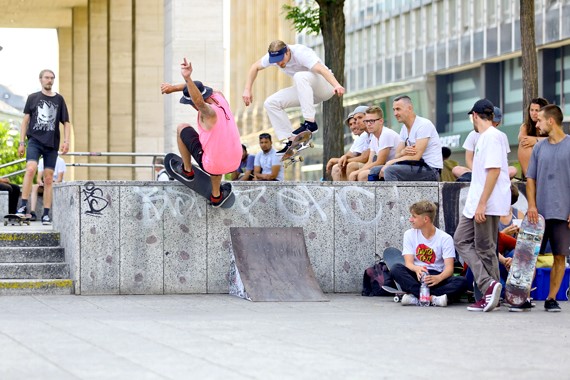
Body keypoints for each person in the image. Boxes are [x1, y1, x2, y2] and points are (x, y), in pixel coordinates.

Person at [453, 99, 511, 312]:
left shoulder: (493, 138)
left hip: (485, 202)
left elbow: (494, 171)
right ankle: (490, 286)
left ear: (475, 116)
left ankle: (490, 294)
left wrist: (482, 204)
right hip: (477, 201)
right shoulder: (485, 138)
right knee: (460, 239)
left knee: (486, 249)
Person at [160, 59, 242, 207]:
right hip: (235, 161)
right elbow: (199, 90)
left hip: (213, 164)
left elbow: (198, 101)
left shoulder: (208, 113)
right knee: (216, 150)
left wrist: (187, 78)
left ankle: (187, 170)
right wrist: (173, 88)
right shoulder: (220, 97)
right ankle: (216, 195)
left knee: (181, 128)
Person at [242, 40, 345, 154]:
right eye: (275, 61)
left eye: (281, 59)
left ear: (287, 51)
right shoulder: (272, 57)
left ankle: (310, 123)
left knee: (299, 76)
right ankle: (292, 140)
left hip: (325, 86)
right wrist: (247, 89)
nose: (279, 63)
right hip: (306, 93)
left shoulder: (301, 52)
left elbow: (321, 69)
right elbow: (254, 67)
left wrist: (336, 85)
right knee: (271, 103)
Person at [526, 104, 570, 312]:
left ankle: (551, 298)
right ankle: (523, 296)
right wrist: (532, 206)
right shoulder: (538, 147)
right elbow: (531, 179)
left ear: (551, 121)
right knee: (528, 256)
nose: (537, 123)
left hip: (562, 213)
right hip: (538, 214)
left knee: (560, 256)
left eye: (540, 120)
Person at [16, 69, 71, 225]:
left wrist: (66, 141)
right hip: (34, 141)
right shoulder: (33, 98)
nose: (50, 80)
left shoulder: (59, 99)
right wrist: (22, 143)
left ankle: (46, 213)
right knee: (31, 169)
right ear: (40, 79)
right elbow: (25, 121)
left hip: (51, 144)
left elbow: (66, 122)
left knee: (48, 179)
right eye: (47, 78)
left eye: (52, 78)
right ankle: (22, 206)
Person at [390, 201, 468, 307]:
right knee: (396, 269)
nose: (410, 219)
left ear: (425, 219)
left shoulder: (445, 238)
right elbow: (408, 264)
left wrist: (439, 278)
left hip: (436, 278)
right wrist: (416, 269)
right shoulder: (409, 234)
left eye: (414, 217)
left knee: (462, 282)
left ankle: (416, 298)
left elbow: (449, 269)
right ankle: (433, 298)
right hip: (417, 277)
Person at [377, 95, 442, 181]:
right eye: (394, 110)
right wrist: (403, 152)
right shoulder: (404, 128)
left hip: (431, 170)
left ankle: (395, 194)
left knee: (389, 170)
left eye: (398, 109)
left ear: (410, 108)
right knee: (375, 170)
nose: (395, 113)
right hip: (414, 166)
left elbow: (415, 157)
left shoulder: (424, 125)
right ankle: (382, 194)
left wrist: (390, 162)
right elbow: (397, 155)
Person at [452, 107, 517, 181]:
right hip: (476, 171)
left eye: (495, 123)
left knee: (513, 170)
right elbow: (468, 160)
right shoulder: (473, 135)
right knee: (456, 169)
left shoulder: (501, 136)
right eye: (491, 121)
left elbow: (504, 160)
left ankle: (493, 178)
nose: (492, 125)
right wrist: (477, 172)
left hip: (496, 171)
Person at [349, 106, 400, 182]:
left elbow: (380, 162)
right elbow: (370, 162)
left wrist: (358, 172)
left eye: (372, 121)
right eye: (366, 121)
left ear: (381, 121)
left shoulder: (386, 134)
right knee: (359, 174)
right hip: (386, 167)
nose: (368, 124)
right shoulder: (374, 137)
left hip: (397, 168)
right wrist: (356, 172)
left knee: (362, 175)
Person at [329, 106, 370, 181]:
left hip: (377, 166)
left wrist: (338, 160)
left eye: (357, 121)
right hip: (372, 165)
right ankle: (342, 191)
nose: (354, 126)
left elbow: (364, 158)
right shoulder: (362, 136)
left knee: (349, 166)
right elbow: (349, 155)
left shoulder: (365, 135)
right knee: (339, 166)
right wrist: (343, 158)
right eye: (350, 124)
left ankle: (347, 191)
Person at [518, 97, 549, 177]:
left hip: (548, 157)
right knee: (524, 144)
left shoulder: (549, 124)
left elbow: (557, 139)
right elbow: (523, 140)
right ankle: (530, 178)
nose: (533, 113)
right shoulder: (525, 126)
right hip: (532, 161)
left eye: (537, 110)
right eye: (531, 110)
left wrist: (536, 140)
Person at [30, 156, 66, 221]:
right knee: (34, 187)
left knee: (48, 186)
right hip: (46, 183)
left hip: (56, 184)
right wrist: (41, 183)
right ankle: (32, 213)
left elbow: (60, 179)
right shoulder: (41, 161)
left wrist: (51, 183)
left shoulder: (60, 161)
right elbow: (38, 179)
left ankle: (45, 213)